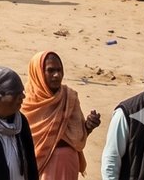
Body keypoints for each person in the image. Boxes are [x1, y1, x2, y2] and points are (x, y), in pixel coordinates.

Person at [20, 51, 100, 180]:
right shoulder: (26, 101)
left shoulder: (69, 97)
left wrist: (88, 126)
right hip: (38, 166)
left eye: (59, 70)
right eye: (50, 70)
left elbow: (77, 137)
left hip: (68, 163)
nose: (56, 75)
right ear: (38, 72)